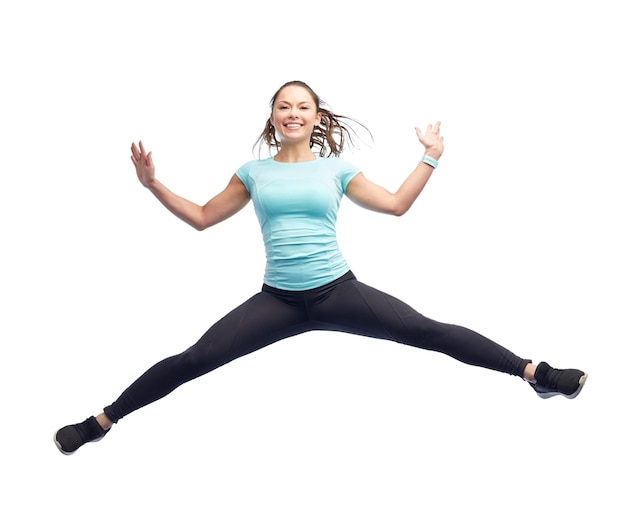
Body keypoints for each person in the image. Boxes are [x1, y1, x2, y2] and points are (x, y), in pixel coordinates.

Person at [54, 80, 587, 455]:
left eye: (303, 106)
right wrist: (152, 185)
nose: (293, 113)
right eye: (284, 106)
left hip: (338, 291)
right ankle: (102, 422)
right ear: (273, 117)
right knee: (196, 358)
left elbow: (398, 204)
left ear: (314, 117)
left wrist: (431, 156)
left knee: (428, 331)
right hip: (277, 301)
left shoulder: (336, 169)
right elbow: (200, 217)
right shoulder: (253, 171)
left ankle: (534, 373)